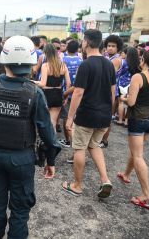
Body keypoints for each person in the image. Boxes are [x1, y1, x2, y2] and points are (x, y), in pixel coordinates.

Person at [0, 36, 60, 239]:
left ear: (4, 60)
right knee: (20, 210)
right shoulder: (34, 93)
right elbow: (47, 132)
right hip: (22, 159)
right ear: (31, 62)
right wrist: (50, 160)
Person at [63, 29, 116, 198]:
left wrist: (70, 117)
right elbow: (112, 92)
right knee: (94, 145)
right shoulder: (109, 64)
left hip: (87, 115)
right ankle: (105, 179)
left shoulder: (85, 65)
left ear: (86, 42)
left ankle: (77, 185)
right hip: (104, 114)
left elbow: (78, 93)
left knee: (80, 148)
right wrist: (109, 114)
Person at [117, 49, 149, 210]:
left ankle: (146, 194)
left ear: (144, 60)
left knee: (138, 155)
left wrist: (122, 98)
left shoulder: (138, 77)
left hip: (138, 119)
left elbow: (131, 102)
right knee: (136, 151)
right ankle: (126, 174)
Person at [35, 44, 71, 131]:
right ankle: (52, 142)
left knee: (44, 121)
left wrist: (33, 82)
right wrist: (65, 97)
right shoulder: (63, 65)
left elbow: (43, 83)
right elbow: (69, 83)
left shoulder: (45, 66)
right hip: (58, 94)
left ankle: (44, 142)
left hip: (46, 95)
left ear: (46, 53)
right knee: (53, 123)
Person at [99, 34, 124, 148]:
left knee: (107, 117)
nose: (110, 48)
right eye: (108, 45)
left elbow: (105, 75)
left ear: (118, 48)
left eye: (113, 46)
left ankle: (104, 140)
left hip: (111, 93)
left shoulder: (116, 60)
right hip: (106, 91)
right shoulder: (108, 57)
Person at [59, 40, 82, 152]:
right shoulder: (81, 60)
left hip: (65, 91)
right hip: (79, 90)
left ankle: (68, 140)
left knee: (67, 116)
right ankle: (77, 139)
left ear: (67, 48)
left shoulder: (62, 60)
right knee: (76, 116)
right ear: (78, 49)